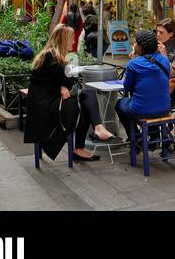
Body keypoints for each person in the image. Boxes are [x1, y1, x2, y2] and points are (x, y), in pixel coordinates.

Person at [25, 24, 112, 162]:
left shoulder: (50, 55)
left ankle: (92, 134)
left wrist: (62, 85)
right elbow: (73, 85)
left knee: (85, 101)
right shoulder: (54, 59)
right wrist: (63, 85)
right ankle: (93, 133)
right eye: (71, 38)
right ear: (63, 40)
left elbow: (61, 81)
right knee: (86, 97)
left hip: (45, 102)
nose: (74, 41)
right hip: (45, 107)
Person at [116, 30, 173, 143]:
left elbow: (127, 87)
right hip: (165, 108)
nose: (133, 45)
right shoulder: (164, 60)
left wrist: (134, 60)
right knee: (149, 100)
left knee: (119, 104)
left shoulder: (134, 63)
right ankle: (154, 137)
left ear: (141, 46)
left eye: (135, 43)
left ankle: (136, 138)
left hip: (141, 110)